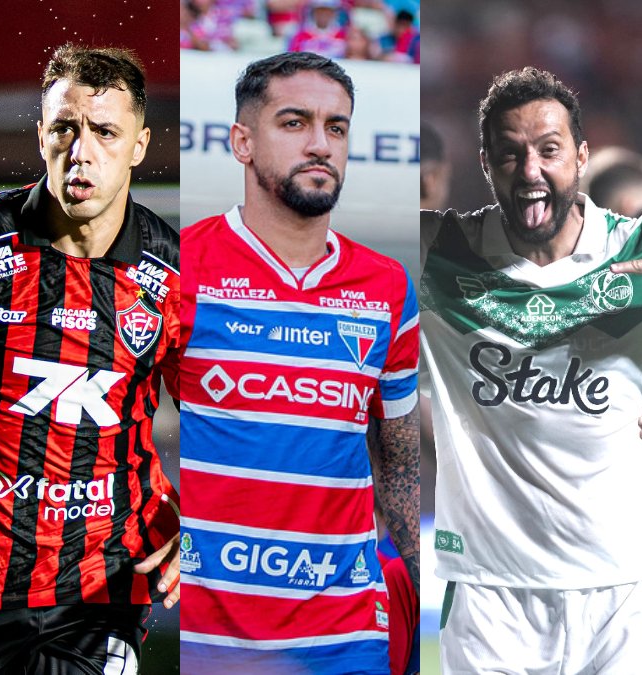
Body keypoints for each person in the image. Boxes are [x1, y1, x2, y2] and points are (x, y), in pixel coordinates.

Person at [0, 43, 181, 673]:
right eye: (65, 129)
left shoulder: (179, 275)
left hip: (104, 589)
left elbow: (229, 421)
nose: (82, 151)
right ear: (41, 133)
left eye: (105, 131)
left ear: (139, 145)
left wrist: (212, 523)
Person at [179, 51, 420, 674]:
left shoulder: (389, 286)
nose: (320, 144)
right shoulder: (180, 267)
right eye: (294, 123)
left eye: (335, 128)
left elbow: (398, 460)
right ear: (242, 142)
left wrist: (426, 584)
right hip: (207, 634)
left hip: (345, 635)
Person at [421, 67, 642, 672]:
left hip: (622, 595)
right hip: (488, 598)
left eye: (549, 150)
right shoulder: (441, 256)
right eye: (510, 153)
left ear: (580, 157)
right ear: (486, 164)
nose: (531, 171)